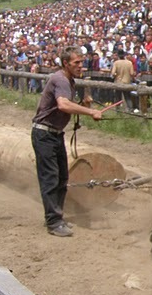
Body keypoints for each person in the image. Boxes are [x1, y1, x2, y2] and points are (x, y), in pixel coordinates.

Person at [32, 46, 104, 237]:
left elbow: (64, 105)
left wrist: (83, 106)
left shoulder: (69, 80)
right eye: (77, 63)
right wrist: (90, 112)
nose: (81, 66)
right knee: (51, 178)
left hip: (54, 134)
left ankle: (57, 217)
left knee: (62, 178)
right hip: (45, 134)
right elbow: (63, 105)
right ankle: (54, 222)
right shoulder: (61, 79)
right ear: (66, 64)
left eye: (82, 62)